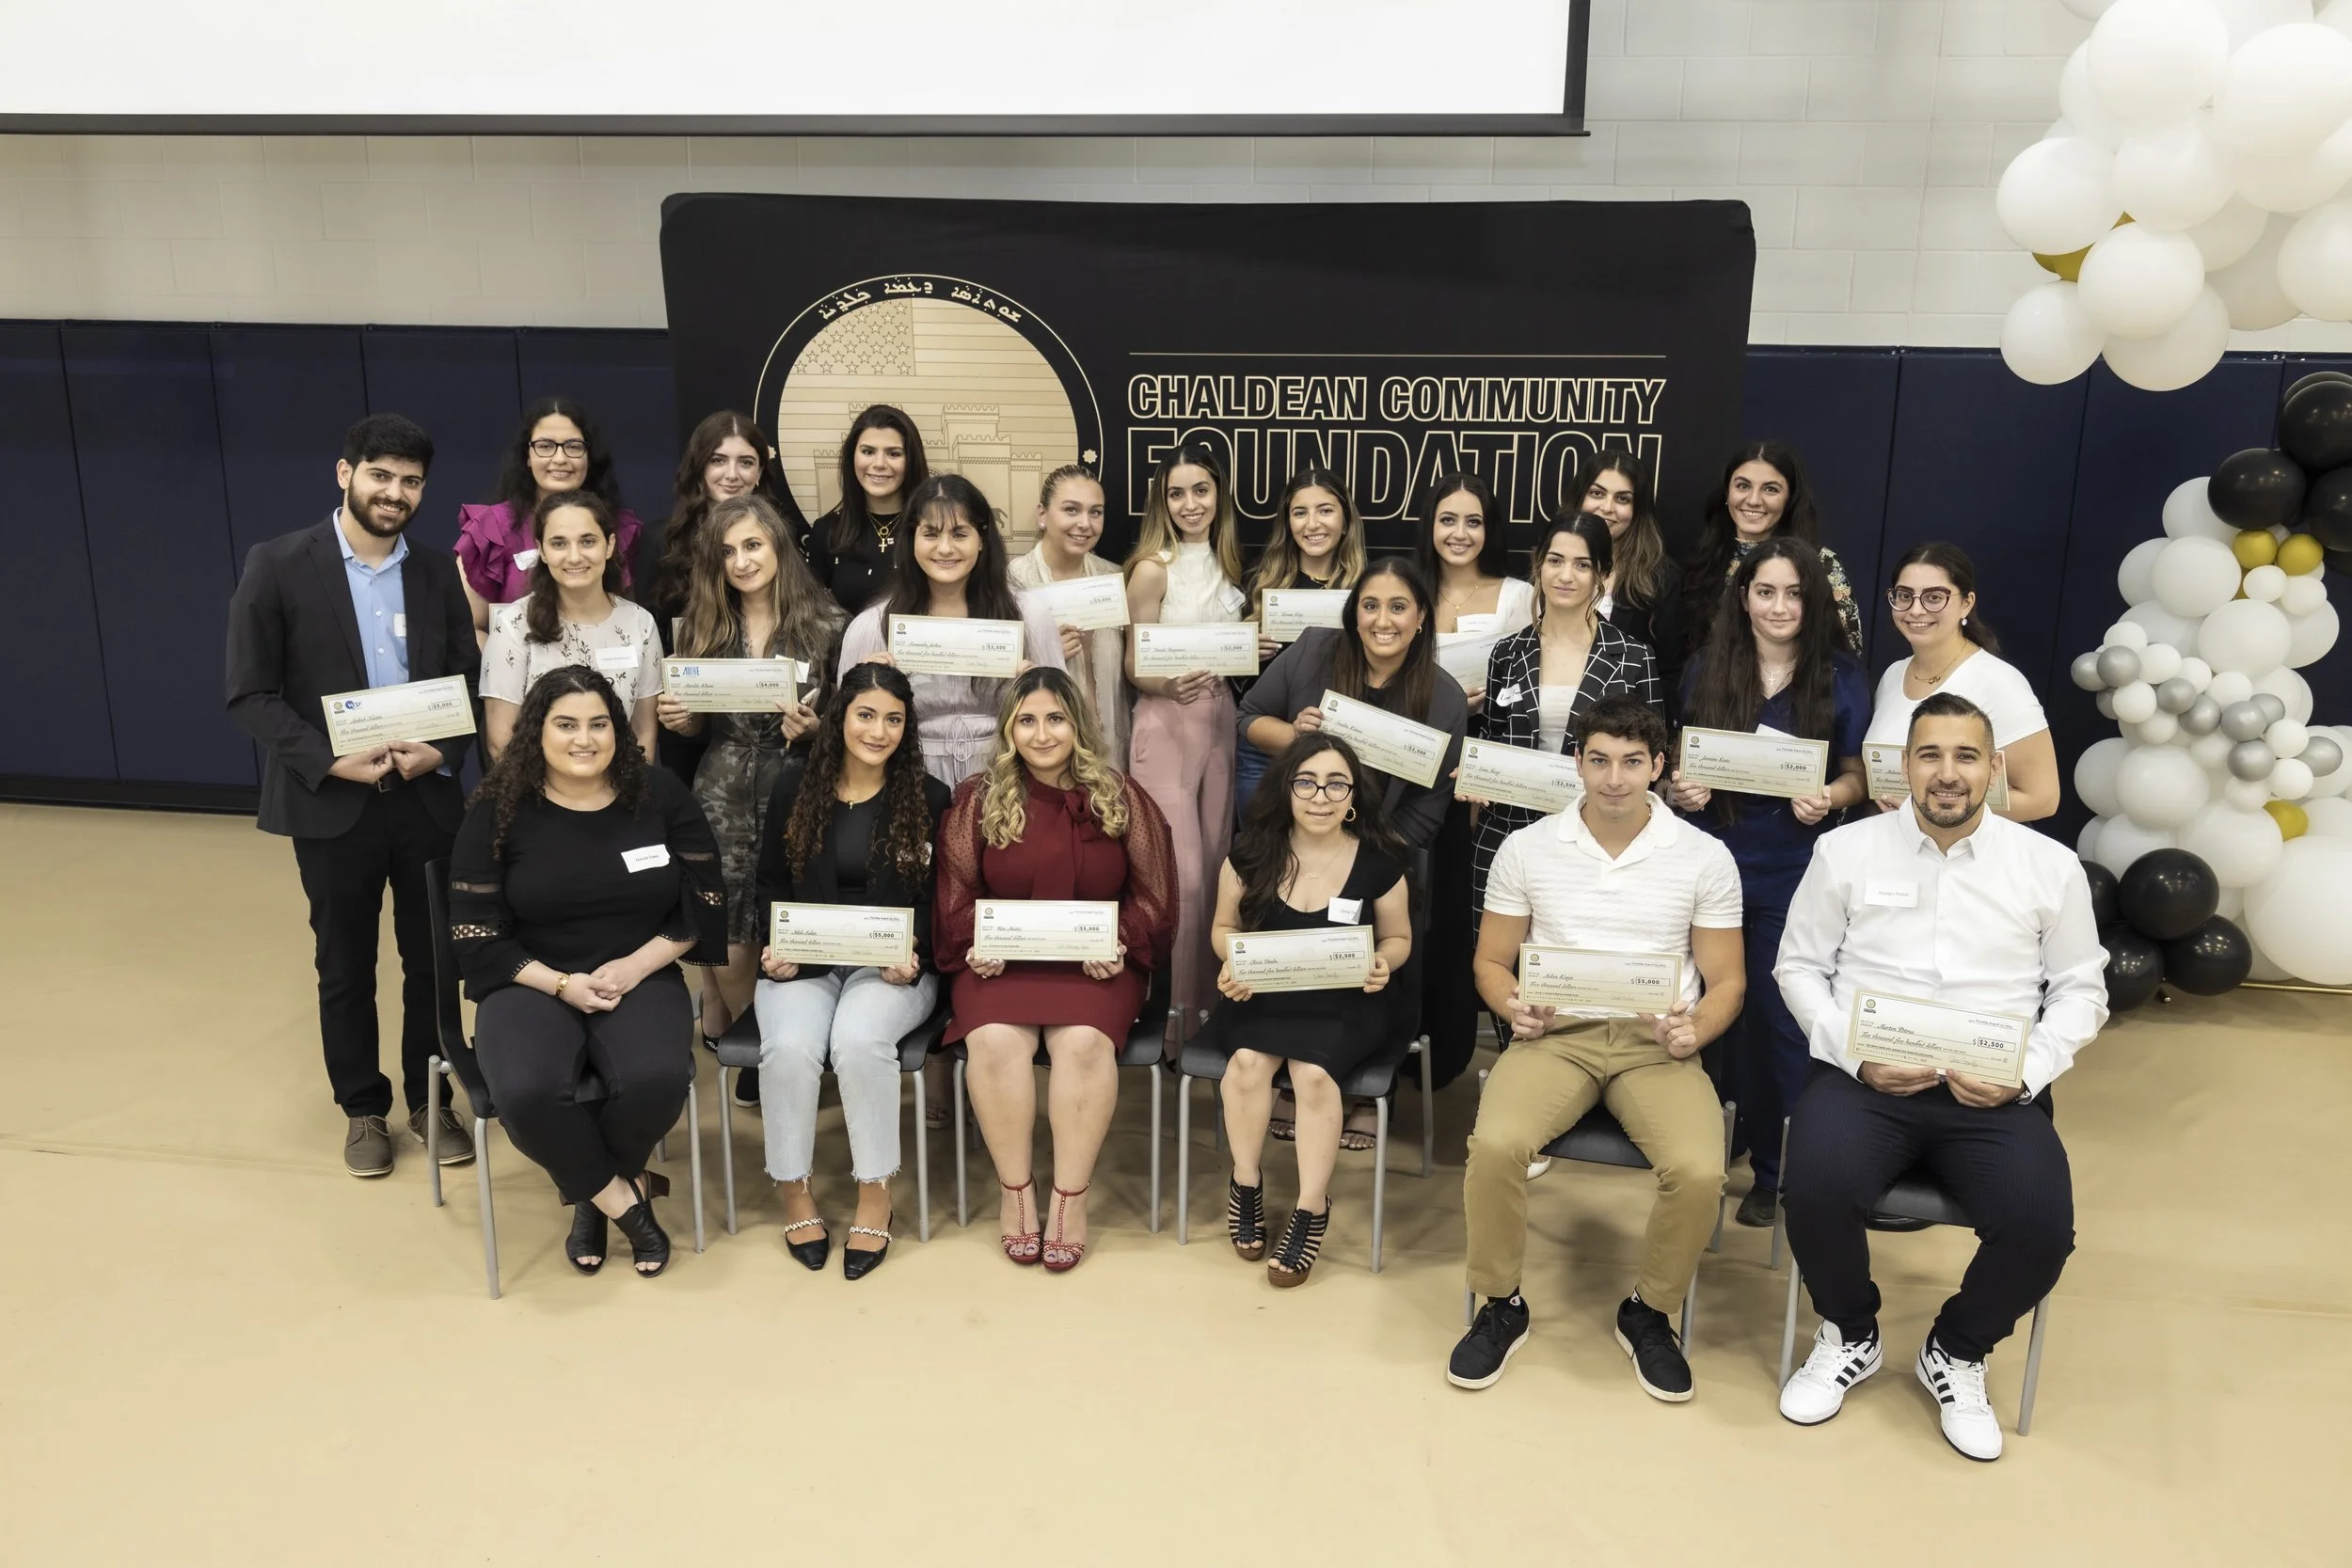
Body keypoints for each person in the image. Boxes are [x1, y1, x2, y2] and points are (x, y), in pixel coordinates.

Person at [1773, 692, 2106, 1462]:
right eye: (1930, 754)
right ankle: (1850, 1331)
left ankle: (1955, 1348)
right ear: (1904, 765)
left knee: (2041, 1227)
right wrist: (1856, 1056)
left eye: (1965, 756)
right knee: (1814, 1188)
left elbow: (2082, 991)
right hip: (1867, 1078)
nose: (1947, 773)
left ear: (1994, 767)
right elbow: (1799, 967)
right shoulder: (1846, 852)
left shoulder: (2048, 866)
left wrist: (2026, 1073)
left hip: (1994, 1087)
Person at [1446, 696, 1745, 1401]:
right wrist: (1512, 1004)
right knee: (1495, 1146)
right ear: (1577, 762)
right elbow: (1491, 962)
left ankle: (1650, 1310)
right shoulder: (1528, 848)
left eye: (1632, 762)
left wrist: (1695, 1029)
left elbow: (1728, 981)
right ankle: (1500, 1303)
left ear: (1659, 766)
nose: (1615, 778)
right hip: (1557, 1035)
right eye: (1600, 760)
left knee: (1699, 1170)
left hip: (1656, 1042)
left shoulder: (1703, 856)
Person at [226, 413, 481, 1178]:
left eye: (411, 481)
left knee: (432, 960)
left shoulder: (436, 571)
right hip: (332, 803)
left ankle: (431, 1098)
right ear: (346, 473)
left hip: (424, 796)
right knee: (344, 963)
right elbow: (250, 691)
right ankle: (363, 1107)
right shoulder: (277, 563)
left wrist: (444, 751)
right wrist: (329, 761)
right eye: (380, 475)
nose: (394, 492)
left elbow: (466, 679)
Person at [447, 666, 729, 1278]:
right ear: (536, 731)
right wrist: (561, 984)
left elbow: (703, 902)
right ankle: (623, 1199)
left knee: (658, 1077)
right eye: (566, 724)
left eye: (599, 723)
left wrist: (634, 966)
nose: (584, 739)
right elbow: (474, 932)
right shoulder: (498, 806)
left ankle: (590, 1192)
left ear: (618, 730)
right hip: (529, 977)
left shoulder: (659, 792)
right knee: (524, 1091)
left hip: (638, 970)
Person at [932, 669, 1178, 1272]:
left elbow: (1156, 895)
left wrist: (1121, 942)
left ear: (1079, 725)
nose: (1042, 735)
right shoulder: (980, 797)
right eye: (1027, 721)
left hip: (1097, 967)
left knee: (1085, 1044)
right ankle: (1016, 1193)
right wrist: (975, 943)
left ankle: (1070, 1198)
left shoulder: (1120, 796)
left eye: (1055, 719)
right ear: (1009, 729)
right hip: (1001, 966)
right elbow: (955, 894)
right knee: (993, 1042)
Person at [1668, 538, 1869, 1228]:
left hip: (1794, 870)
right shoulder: (1707, 665)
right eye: (1765, 592)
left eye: (1794, 594)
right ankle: (1705, 1148)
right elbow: (1681, 759)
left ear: (1814, 601)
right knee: (1708, 1011)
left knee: (1780, 1021)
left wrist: (1832, 797)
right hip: (1713, 864)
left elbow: (1857, 775)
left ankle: (1777, 1172)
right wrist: (1682, 788)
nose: (1779, 606)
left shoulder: (1841, 676)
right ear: (1744, 597)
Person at [1237, 557, 1467, 1149]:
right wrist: (1296, 736)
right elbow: (1249, 718)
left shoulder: (1442, 696)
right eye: (1370, 606)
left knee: (1379, 954)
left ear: (1421, 618)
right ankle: (1291, 1080)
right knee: (1290, 945)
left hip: (1381, 853)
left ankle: (1365, 1090)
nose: (1382, 620)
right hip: (1295, 839)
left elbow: (1429, 807)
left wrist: (1367, 863)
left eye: (1398, 607)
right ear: (1353, 612)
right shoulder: (1313, 651)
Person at [752, 663, 950, 1280]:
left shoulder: (929, 796)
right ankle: (794, 1190)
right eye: (866, 715)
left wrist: (914, 946)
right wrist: (774, 944)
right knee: (789, 1046)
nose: (878, 731)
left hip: (891, 967)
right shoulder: (794, 787)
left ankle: (874, 1193)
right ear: (840, 718)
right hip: (805, 957)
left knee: (860, 1042)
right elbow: (769, 884)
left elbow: (938, 899)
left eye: (893, 719)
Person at [654, 494, 846, 1107]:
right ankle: (760, 1044)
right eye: (728, 551)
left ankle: (806, 1050)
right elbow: (694, 726)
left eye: (753, 545)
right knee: (728, 931)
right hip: (723, 793)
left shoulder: (829, 625)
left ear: (778, 547)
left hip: (801, 788)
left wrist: (818, 732)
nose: (741, 561)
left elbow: (854, 724)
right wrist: (681, 720)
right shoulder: (701, 625)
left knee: (799, 921)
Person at [1207, 736, 1414, 1287]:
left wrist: (1384, 962)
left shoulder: (1380, 862)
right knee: (1247, 1064)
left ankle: (1311, 1206)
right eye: (1307, 782)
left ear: (1354, 797)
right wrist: (1234, 961)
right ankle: (1246, 1183)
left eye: (1336, 784)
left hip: (1347, 1000)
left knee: (1313, 1073)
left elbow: (1399, 938)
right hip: (1263, 992)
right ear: (1287, 789)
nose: (1320, 796)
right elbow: (1222, 929)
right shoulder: (1249, 853)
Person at [1470, 514, 1663, 921]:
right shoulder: (1507, 653)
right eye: (1555, 560)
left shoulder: (1633, 657)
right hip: (1507, 833)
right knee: (1497, 957)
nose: (1565, 576)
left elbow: (1650, 757)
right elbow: (1490, 740)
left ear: (1603, 574)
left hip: (1600, 840)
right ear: (1538, 564)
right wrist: (1474, 777)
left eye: (1582, 565)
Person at [1123, 443, 1250, 1039]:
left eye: (1201, 490)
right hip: (1167, 717)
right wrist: (1166, 684)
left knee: (1219, 869)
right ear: (1163, 501)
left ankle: (1210, 1016)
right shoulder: (1153, 567)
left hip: (1223, 717)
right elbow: (1133, 663)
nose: (1190, 504)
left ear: (1219, 493)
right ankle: (1171, 1024)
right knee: (1180, 878)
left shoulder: (1232, 563)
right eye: (1177, 493)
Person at [1414, 471, 1534, 1091]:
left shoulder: (1520, 596)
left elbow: (1535, 683)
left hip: (1487, 771)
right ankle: (1403, 1050)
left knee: (1470, 912)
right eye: (1447, 519)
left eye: (1473, 521)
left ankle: (1460, 1051)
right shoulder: (1408, 590)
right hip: (1413, 765)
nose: (1459, 533)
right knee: (1413, 911)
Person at [838, 473, 1066, 788]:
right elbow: (844, 732)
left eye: (959, 534)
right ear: (911, 539)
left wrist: (1035, 690)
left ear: (982, 539)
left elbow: (1062, 719)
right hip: (908, 785)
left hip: (1008, 783)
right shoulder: (872, 626)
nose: (945, 548)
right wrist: (869, 687)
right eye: (930, 534)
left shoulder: (1030, 617)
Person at [1865, 543, 2060, 823]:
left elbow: (2043, 800)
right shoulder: (1893, 676)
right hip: (1895, 841)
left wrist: (1933, 807)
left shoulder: (1999, 682)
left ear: (1966, 603)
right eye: (1904, 596)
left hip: (1966, 848)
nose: (1916, 610)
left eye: (1934, 597)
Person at [480, 491, 662, 763]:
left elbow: (644, 734)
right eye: (559, 544)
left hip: (620, 785)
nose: (574, 557)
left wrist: (625, 788)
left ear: (610, 545)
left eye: (588, 541)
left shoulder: (641, 623)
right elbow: (501, 742)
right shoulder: (513, 624)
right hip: (536, 786)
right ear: (542, 551)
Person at [1235, 467, 1369, 820]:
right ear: (1288, 523)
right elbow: (1239, 689)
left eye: (1325, 510)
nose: (1312, 524)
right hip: (1265, 750)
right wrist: (1242, 654)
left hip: (1340, 753)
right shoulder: (1262, 586)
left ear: (1345, 520)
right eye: (1300, 513)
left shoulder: (1368, 591)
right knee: (1262, 848)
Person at [456, 396, 644, 640]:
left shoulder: (620, 528)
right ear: (527, 455)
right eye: (545, 446)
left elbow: (630, 618)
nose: (560, 459)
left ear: (589, 455)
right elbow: (472, 627)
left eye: (573, 446)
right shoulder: (491, 529)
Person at [1679, 442, 1862, 658]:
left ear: (1790, 499)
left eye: (1770, 489)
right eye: (1743, 486)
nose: (1754, 500)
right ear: (1727, 493)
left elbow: (1847, 657)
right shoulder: (1706, 560)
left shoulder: (1822, 564)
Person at [1009, 463, 1129, 768]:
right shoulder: (1013, 582)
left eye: (1095, 512)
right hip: (1044, 750)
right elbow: (994, 680)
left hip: (1111, 747)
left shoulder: (1114, 578)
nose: (1085, 523)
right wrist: (1046, 654)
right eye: (1071, 510)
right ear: (1042, 515)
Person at [1574, 453, 1688, 711]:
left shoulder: (1661, 579)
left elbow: (1670, 676)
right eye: (1597, 493)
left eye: (1622, 499)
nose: (1607, 507)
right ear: (1580, 497)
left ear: (1638, 509)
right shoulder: (1551, 563)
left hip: (1623, 723)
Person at [810, 404, 929, 616]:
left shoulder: (932, 529)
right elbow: (811, 615)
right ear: (852, 457)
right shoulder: (826, 531)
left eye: (893, 454)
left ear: (911, 460)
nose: (879, 463)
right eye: (868, 452)